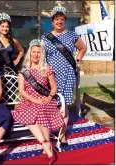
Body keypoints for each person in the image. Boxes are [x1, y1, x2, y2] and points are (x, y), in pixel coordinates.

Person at [12, 39, 65, 165]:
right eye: (33, 52)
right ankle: (47, 144)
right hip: (28, 101)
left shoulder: (47, 69)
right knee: (34, 109)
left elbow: (54, 87)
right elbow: (22, 91)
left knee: (41, 109)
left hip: (45, 99)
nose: (36, 54)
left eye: (39, 52)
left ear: (42, 55)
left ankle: (46, 145)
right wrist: (34, 99)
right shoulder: (23, 71)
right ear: (29, 53)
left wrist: (49, 97)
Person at [41, 5, 87, 146]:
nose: (59, 22)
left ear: (64, 20)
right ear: (52, 21)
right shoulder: (46, 37)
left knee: (64, 106)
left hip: (67, 73)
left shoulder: (72, 35)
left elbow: (83, 47)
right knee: (51, 104)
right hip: (51, 75)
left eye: (61, 19)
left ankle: (62, 135)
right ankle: (48, 131)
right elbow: (42, 56)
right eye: (56, 19)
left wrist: (77, 60)